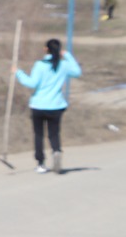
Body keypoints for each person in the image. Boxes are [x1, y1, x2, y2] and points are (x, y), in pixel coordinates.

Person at [17, 38, 82, 174]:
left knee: (38, 134)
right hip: (56, 105)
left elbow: (32, 83)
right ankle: (56, 151)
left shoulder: (40, 65)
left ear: (46, 49)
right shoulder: (64, 65)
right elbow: (77, 72)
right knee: (54, 133)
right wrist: (68, 56)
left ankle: (41, 163)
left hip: (38, 105)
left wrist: (18, 73)